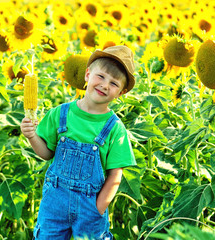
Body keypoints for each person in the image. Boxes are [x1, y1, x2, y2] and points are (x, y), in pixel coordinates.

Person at [21, 45, 137, 240]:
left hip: (90, 208)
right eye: (100, 77)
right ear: (87, 75)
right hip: (54, 206)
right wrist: (32, 136)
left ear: (121, 93)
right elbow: (46, 153)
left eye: (114, 83)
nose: (105, 85)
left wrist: (98, 208)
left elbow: (115, 175)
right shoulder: (60, 114)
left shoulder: (115, 129)